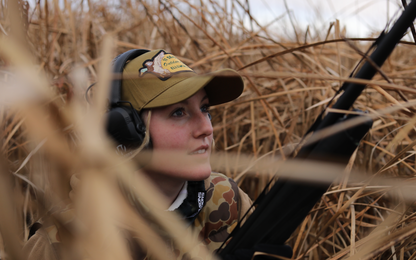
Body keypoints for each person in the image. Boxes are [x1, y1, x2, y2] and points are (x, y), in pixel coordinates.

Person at [24, 49, 292, 260]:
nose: (206, 127)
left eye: (206, 108)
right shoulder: (63, 242)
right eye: (179, 112)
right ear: (126, 132)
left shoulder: (226, 199)